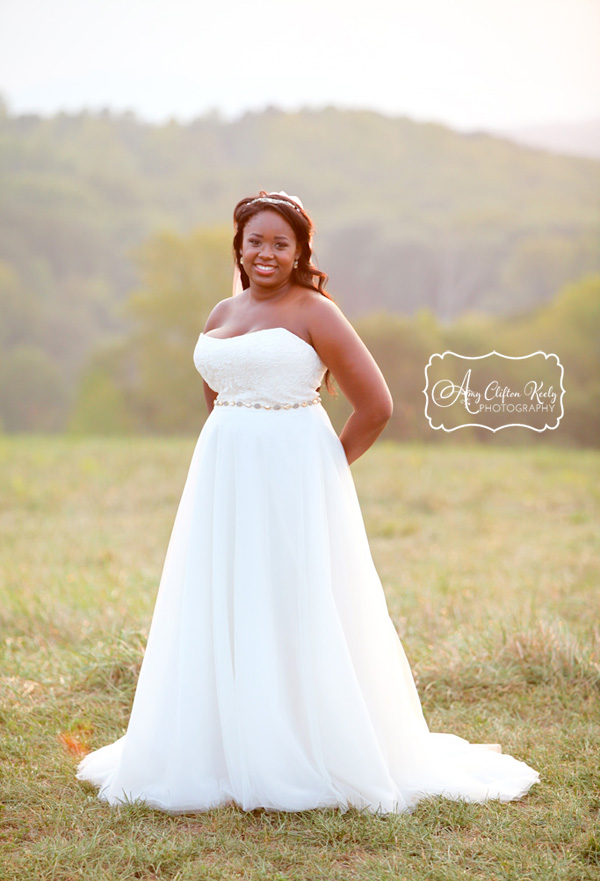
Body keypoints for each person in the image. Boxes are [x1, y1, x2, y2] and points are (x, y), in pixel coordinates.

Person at [77, 191, 539, 813]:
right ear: (239, 246)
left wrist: (320, 470)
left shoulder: (314, 312)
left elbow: (376, 407)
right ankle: (218, 743)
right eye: (255, 241)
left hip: (295, 479)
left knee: (289, 599)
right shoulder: (222, 309)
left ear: (299, 253)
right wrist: (236, 443)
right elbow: (220, 392)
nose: (266, 252)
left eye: (280, 243)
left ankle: (295, 744)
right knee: (224, 594)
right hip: (222, 476)